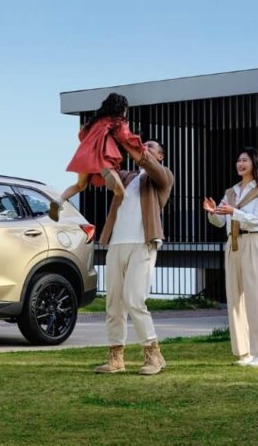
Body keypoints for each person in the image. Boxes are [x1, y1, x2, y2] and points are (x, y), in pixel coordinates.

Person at [94, 139, 174, 376]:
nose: (144, 148)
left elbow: (146, 162)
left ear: (160, 156)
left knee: (134, 299)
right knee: (114, 302)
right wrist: (101, 140)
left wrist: (131, 143)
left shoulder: (163, 176)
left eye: (150, 146)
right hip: (116, 243)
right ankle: (116, 357)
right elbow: (104, 169)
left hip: (143, 243)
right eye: (142, 144)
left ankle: (153, 354)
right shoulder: (127, 177)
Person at [202, 147, 258, 368]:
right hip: (233, 245)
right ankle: (244, 351)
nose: (240, 163)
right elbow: (220, 221)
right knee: (235, 299)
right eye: (238, 160)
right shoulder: (231, 192)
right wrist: (212, 212)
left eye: (245, 160)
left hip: (252, 243)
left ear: (255, 163)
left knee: (257, 297)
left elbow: (257, 220)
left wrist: (233, 212)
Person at [50, 93, 145, 222]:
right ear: (122, 108)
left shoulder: (95, 121)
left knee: (79, 185)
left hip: (84, 155)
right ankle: (109, 176)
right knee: (121, 192)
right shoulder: (118, 121)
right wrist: (141, 147)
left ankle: (59, 201)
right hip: (102, 156)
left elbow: (82, 135)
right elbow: (125, 136)